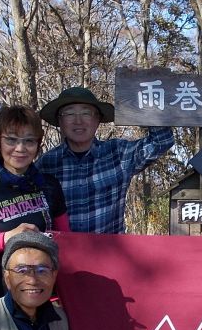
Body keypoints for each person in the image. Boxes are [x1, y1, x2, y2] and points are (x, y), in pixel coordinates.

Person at [0, 104, 71, 297]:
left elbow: (66, 241)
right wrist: (7, 237)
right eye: (11, 140)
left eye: (29, 141)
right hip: (4, 296)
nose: (20, 149)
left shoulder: (50, 185)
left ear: (38, 145)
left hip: (48, 294)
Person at [37, 86, 173, 234]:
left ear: (98, 120)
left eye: (86, 113)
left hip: (112, 253)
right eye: (69, 113)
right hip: (62, 254)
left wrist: (138, 84)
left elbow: (162, 141)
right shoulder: (46, 164)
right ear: (60, 121)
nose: (78, 120)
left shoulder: (118, 154)